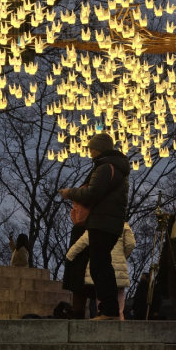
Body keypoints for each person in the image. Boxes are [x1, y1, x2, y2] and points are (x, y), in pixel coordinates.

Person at [60, 132, 130, 320]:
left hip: (103, 222)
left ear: (99, 148)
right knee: (101, 265)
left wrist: (70, 193)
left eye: (91, 147)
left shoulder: (106, 167)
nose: (89, 150)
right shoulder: (115, 167)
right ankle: (109, 310)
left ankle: (109, 311)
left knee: (100, 266)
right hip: (108, 222)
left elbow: (92, 193)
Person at [66, 221, 136, 319]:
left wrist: (69, 256)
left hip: (102, 264)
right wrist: (123, 256)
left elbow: (83, 241)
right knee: (119, 305)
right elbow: (130, 244)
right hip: (120, 270)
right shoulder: (123, 225)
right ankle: (120, 326)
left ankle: (104, 326)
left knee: (103, 300)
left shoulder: (97, 225)